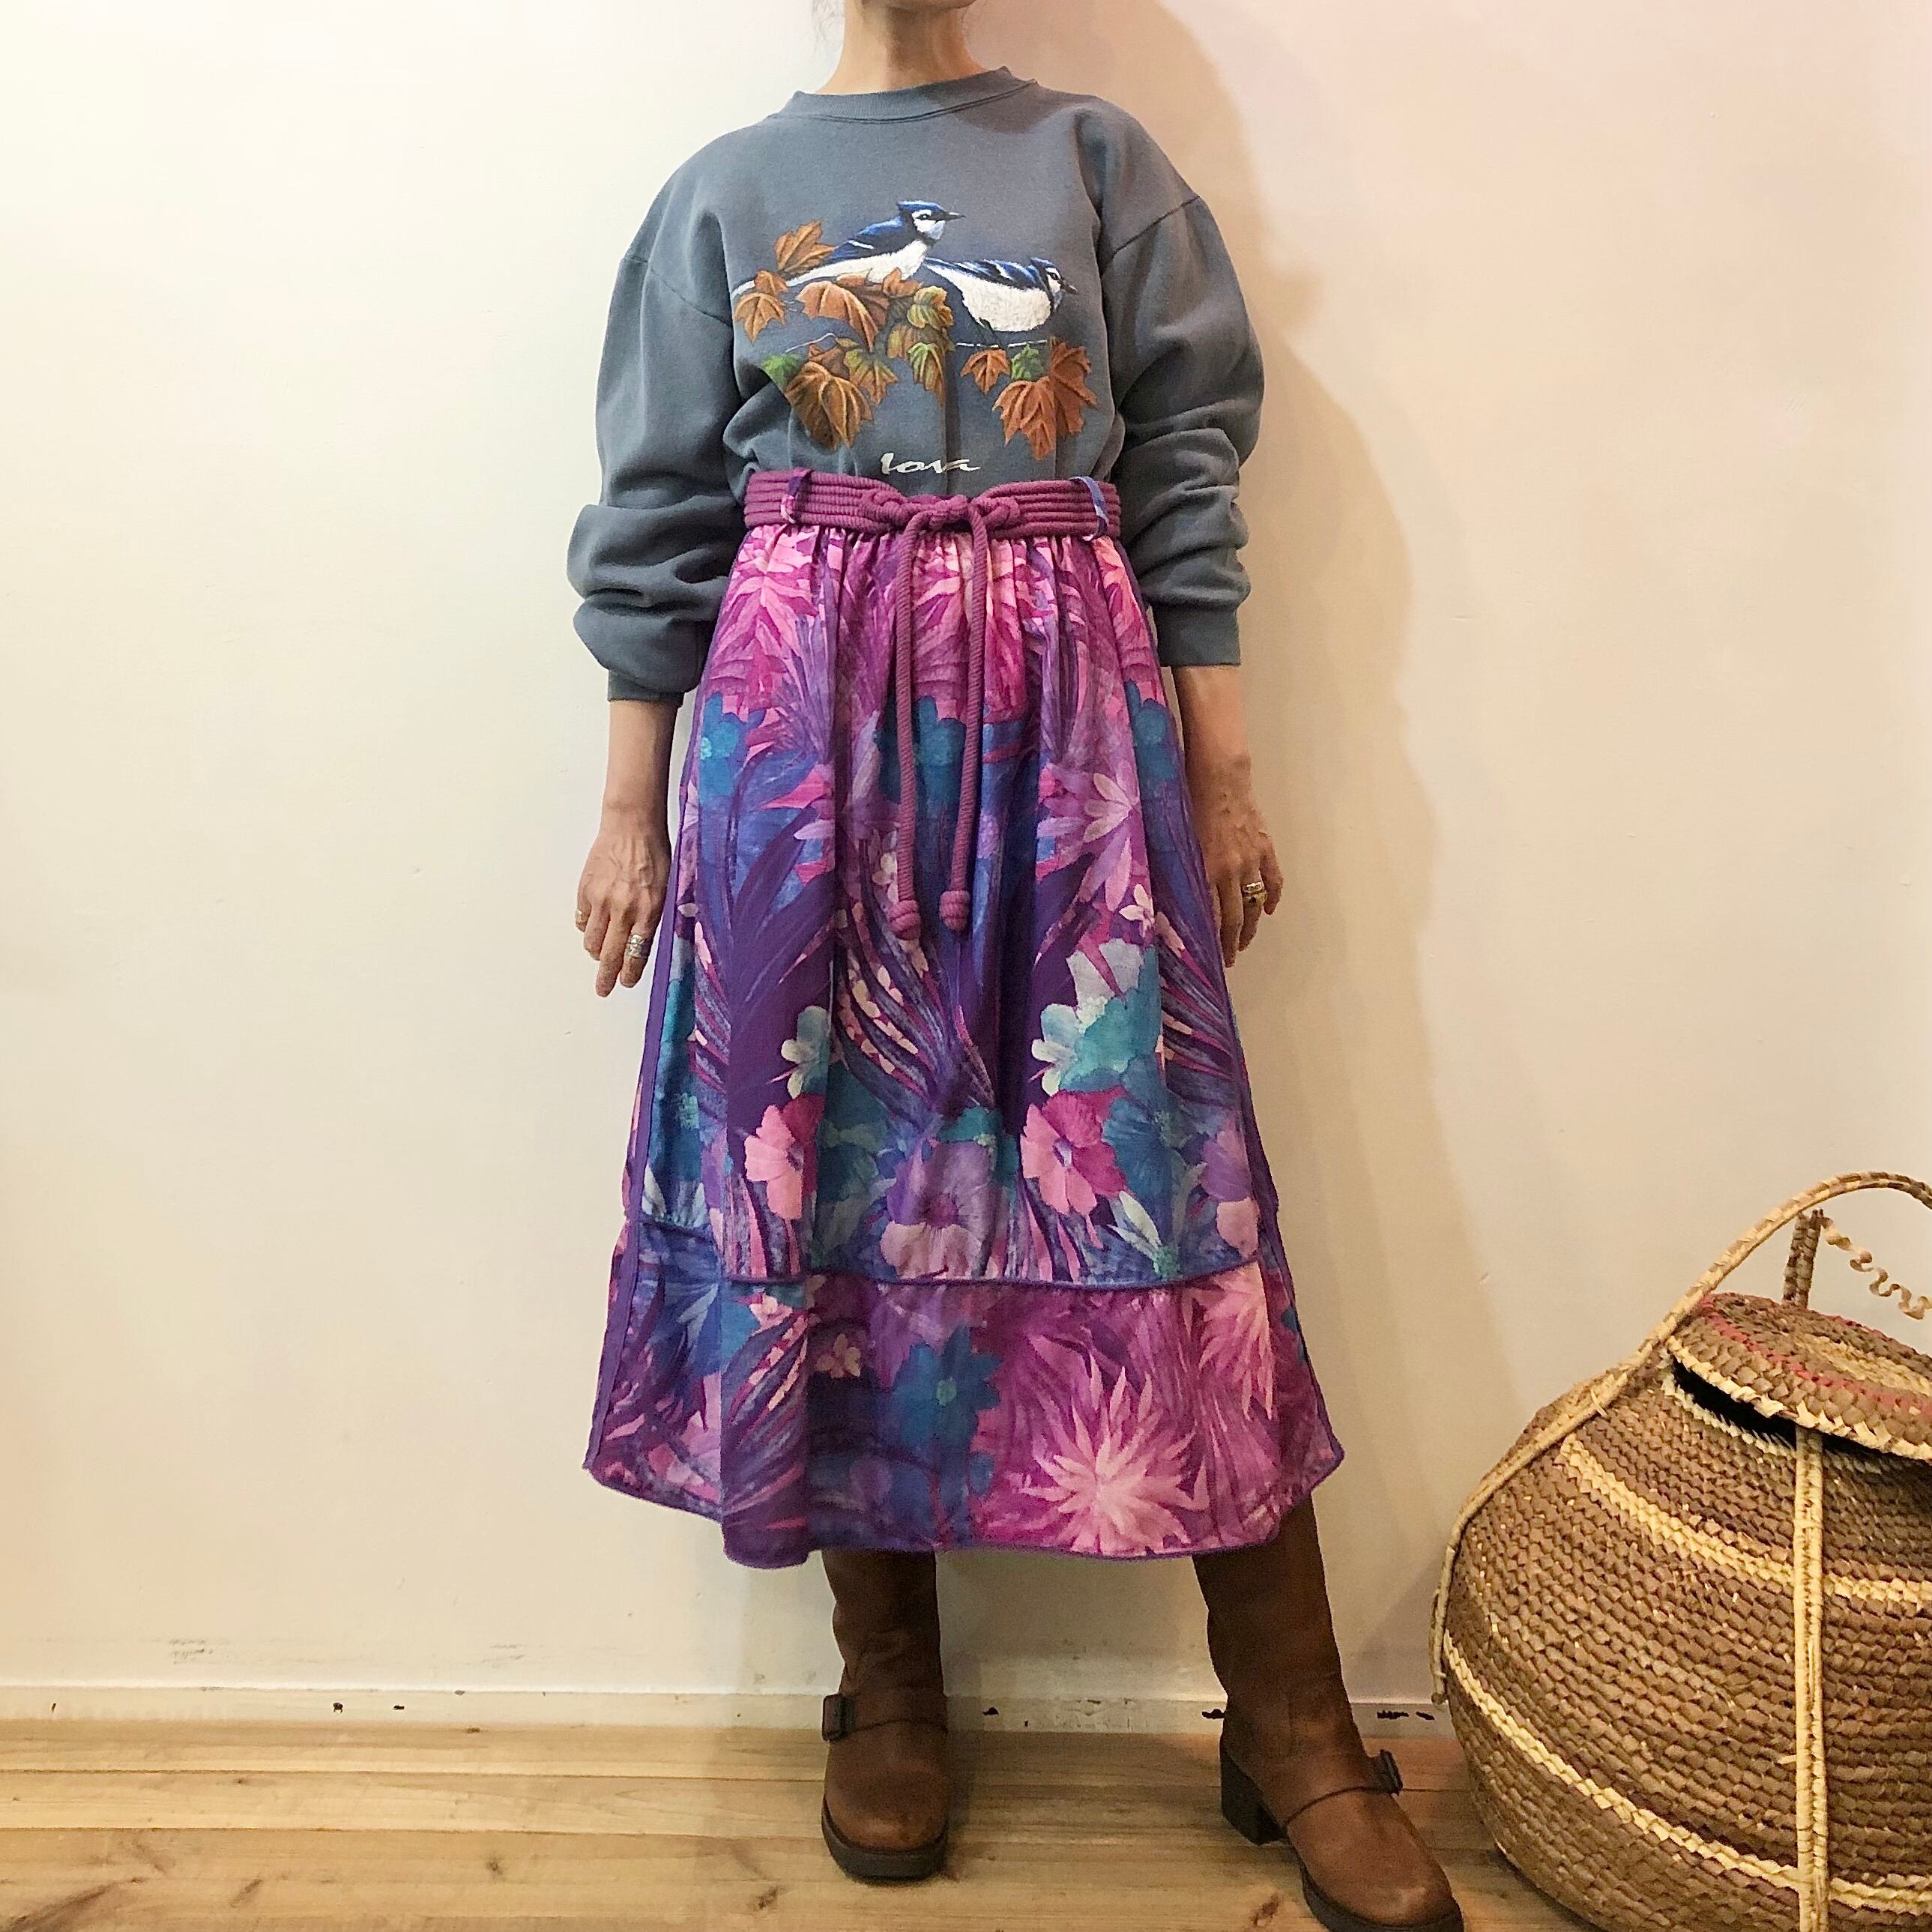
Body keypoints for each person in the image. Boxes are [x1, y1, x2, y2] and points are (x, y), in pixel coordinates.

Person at [565, 4, 1461, 1928]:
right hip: (797, 732)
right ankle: (887, 1682)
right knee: (821, 1178)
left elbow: (1186, 477)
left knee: (1154, 1172)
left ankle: (1290, 1720)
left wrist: (1226, 772)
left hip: (1067, 720)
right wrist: (631, 811)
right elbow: (657, 523)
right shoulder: (722, 195)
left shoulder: (1093, 163)